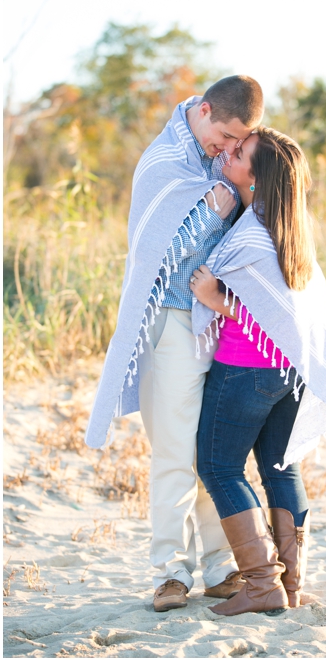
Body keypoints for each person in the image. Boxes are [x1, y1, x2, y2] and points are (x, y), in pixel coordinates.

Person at [85, 76, 265, 612]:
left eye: (239, 143)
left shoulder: (222, 156)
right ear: (204, 110)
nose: (230, 149)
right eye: (226, 137)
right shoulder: (163, 161)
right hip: (171, 321)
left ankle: (220, 564)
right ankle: (171, 571)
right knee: (173, 451)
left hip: (220, 326)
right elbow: (158, 251)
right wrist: (215, 205)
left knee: (214, 449)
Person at [189, 127, 326, 616]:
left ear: (257, 179)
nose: (229, 155)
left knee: (218, 467)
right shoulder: (291, 228)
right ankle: (291, 585)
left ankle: (261, 584)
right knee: (281, 468)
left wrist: (217, 301)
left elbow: (262, 308)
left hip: (247, 368)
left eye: (240, 154)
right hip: (288, 372)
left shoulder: (254, 234)